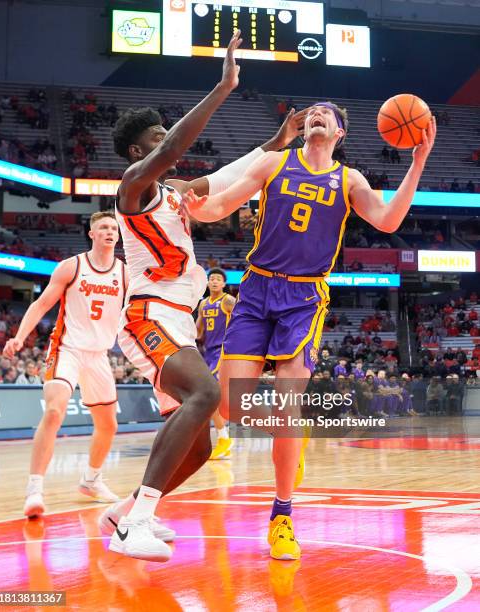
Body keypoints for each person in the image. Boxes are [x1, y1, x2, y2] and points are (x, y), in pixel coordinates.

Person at [182, 101, 436, 560]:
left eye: (327, 113)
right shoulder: (275, 161)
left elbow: (389, 221)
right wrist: (197, 207)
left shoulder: (349, 180)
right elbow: (221, 203)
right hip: (256, 291)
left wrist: (417, 164)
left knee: (287, 404)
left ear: (340, 132)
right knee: (231, 404)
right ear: (304, 129)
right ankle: (290, 434)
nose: (316, 115)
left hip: (303, 299)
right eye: (311, 112)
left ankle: (281, 516)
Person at [99, 31, 309, 562]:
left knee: (205, 443)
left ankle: (125, 512)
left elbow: (231, 174)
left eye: (163, 135)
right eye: (156, 137)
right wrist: (223, 86)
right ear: (136, 151)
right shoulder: (133, 187)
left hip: (177, 321)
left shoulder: (176, 193)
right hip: (148, 315)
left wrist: (278, 141)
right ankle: (137, 524)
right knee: (209, 396)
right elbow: (173, 150)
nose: (165, 140)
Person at [3, 211, 127, 518]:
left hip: (99, 355)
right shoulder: (72, 266)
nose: (110, 232)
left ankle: (91, 480)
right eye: (103, 228)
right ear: (92, 234)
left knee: (108, 425)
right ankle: (35, 488)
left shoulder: (124, 272)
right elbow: (42, 303)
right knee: (55, 410)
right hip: (66, 349)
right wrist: (20, 337)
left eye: (113, 228)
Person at [196, 268, 236, 459]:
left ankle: (224, 438)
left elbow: (243, 320)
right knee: (212, 398)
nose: (214, 282)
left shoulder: (228, 300)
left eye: (218, 279)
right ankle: (223, 438)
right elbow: (198, 331)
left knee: (209, 394)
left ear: (223, 284)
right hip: (208, 352)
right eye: (211, 279)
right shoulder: (203, 303)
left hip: (223, 351)